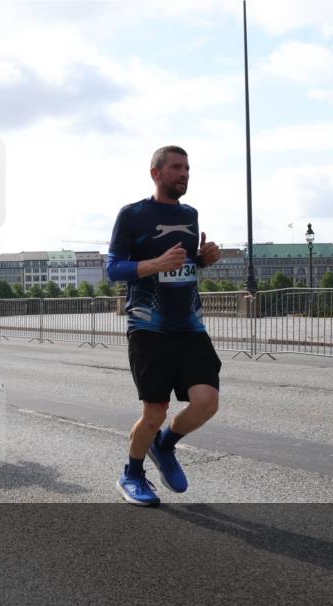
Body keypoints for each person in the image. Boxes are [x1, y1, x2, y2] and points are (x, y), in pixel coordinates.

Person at [106, 145, 222, 507]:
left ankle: (165, 444)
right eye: (176, 167)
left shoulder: (191, 214)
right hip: (147, 327)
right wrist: (153, 264)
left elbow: (183, 264)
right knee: (155, 412)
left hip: (189, 325)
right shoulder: (133, 214)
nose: (184, 173)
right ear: (156, 173)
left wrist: (203, 260)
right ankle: (132, 474)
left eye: (187, 168)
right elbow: (113, 268)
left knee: (207, 402)